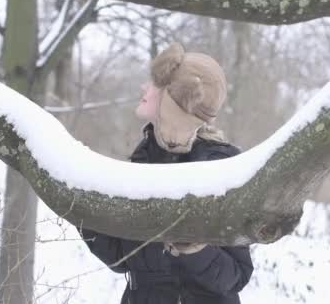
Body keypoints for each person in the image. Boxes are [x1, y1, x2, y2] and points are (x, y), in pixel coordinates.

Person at [80, 43, 253, 304]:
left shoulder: (223, 167)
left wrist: (194, 248)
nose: (144, 88)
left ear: (174, 102)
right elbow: (120, 258)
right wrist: (81, 206)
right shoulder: (143, 158)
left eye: (153, 85)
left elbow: (236, 275)